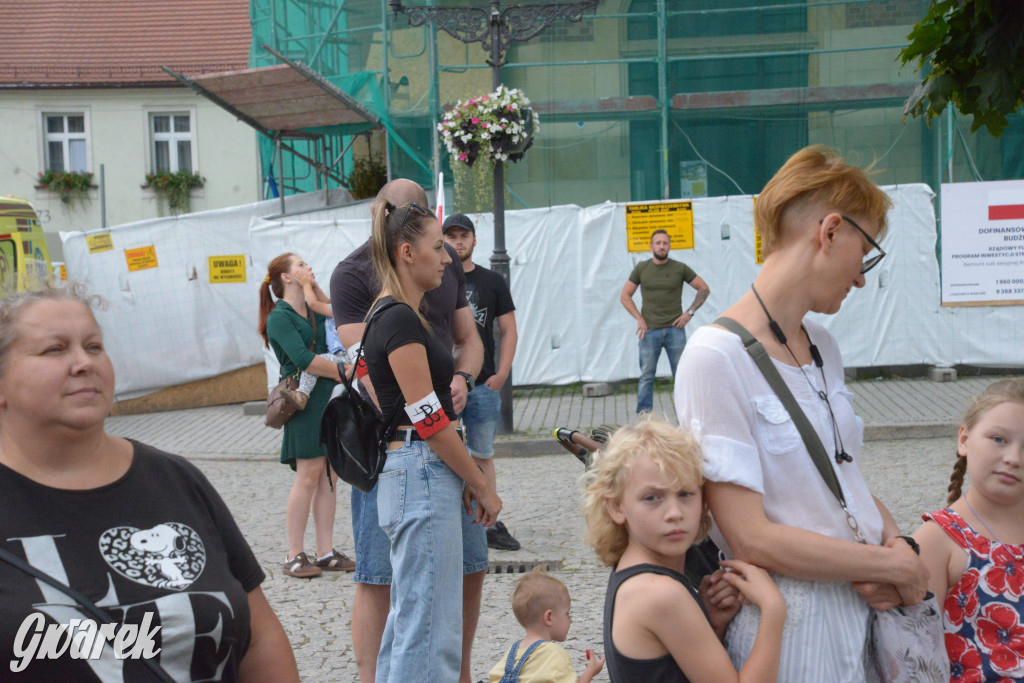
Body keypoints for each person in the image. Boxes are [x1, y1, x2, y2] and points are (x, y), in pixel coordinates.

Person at [674, 145, 929, 679]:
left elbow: (844, 478)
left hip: (860, 611)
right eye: (867, 250)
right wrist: (891, 564)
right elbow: (750, 535)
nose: (862, 277)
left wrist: (899, 544)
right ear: (830, 231)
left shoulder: (821, 344)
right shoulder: (713, 356)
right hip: (792, 624)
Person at [0, 286, 299, 681]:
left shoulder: (174, 480)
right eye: (54, 350)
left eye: (93, 346)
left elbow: (259, 642)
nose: (82, 363)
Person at [330, 179, 488, 683]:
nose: (447, 258)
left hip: (418, 467)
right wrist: (480, 480)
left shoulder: (397, 313)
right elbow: (427, 418)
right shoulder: (397, 317)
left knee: (413, 626)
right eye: (437, 246)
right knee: (426, 633)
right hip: (419, 467)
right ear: (405, 252)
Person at [582, 419, 785, 682]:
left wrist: (711, 623)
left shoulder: (632, 574)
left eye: (686, 494)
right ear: (616, 507)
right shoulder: (661, 593)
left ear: (703, 501)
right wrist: (773, 608)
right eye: (652, 498)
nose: (674, 513)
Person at [913, 378, 1024, 681]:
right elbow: (919, 657)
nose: (1013, 458)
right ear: (964, 440)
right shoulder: (938, 540)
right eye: (999, 439)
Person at [259, 254, 354, 578]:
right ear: (285, 277)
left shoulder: (311, 308)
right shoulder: (279, 316)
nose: (308, 268)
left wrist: (313, 286)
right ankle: (294, 553)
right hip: (303, 401)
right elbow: (302, 358)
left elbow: (338, 318)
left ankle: (325, 551)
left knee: (330, 474)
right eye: (300, 265)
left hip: (329, 396)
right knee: (308, 474)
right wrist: (345, 371)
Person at [443, 212, 521, 551]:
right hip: (444, 385)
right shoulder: (437, 278)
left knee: (482, 453)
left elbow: (508, 329)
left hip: (483, 383)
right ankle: (456, 519)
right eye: (452, 235)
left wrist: (502, 373)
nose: (459, 241)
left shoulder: (492, 281)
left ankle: (487, 520)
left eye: (465, 235)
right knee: (447, 454)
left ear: (475, 240)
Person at [619, 229, 710, 414]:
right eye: (658, 243)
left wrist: (689, 313)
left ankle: (686, 414)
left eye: (665, 243)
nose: (662, 246)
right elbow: (625, 296)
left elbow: (703, 289)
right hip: (649, 331)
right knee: (646, 376)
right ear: (651, 246)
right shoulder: (642, 269)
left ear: (669, 246)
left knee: (682, 375)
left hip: (675, 331)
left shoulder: (680, 268)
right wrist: (639, 318)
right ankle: (644, 417)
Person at [487, 568, 605, 683]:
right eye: (567, 614)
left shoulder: (511, 653)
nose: (571, 620)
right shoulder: (555, 655)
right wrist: (590, 671)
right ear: (549, 617)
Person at [280, 269, 344, 411]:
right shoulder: (338, 308)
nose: (307, 268)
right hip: (344, 356)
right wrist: (315, 286)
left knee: (314, 363)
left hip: (343, 356)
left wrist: (306, 284)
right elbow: (326, 302)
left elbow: (314, 304)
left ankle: (302, 394)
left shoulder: (341, 310)